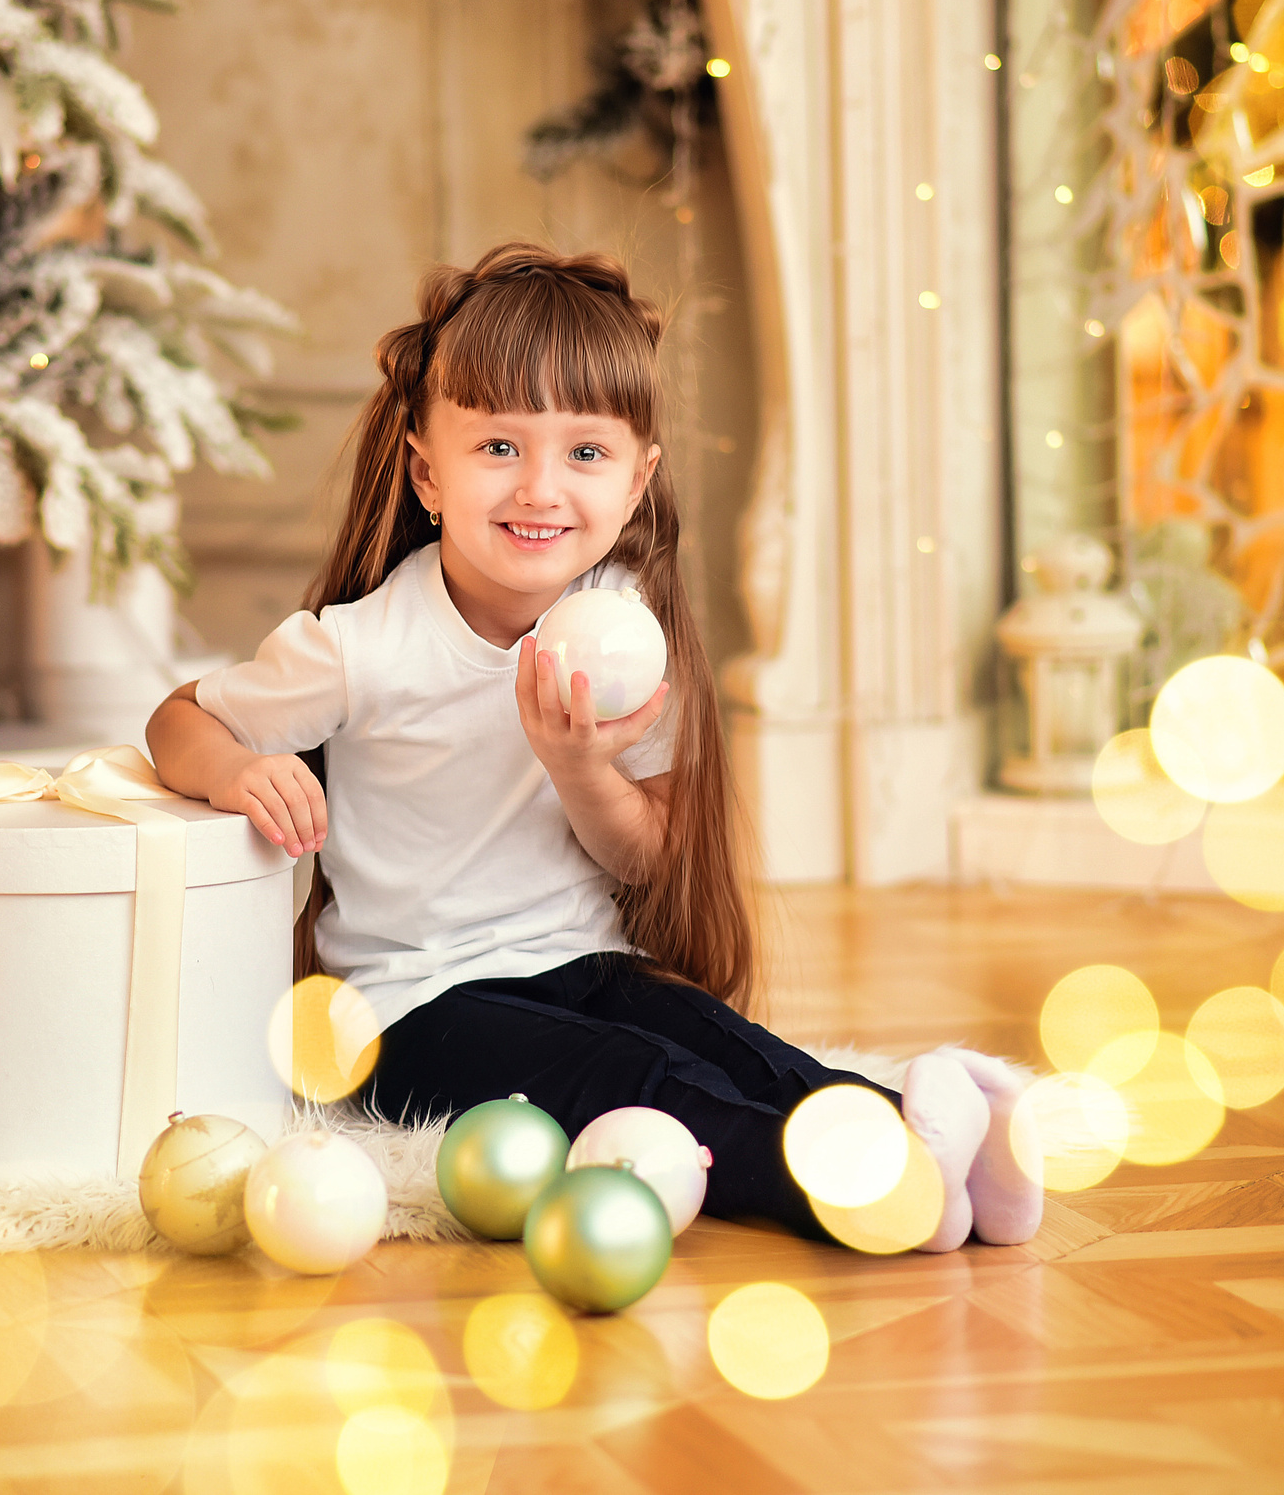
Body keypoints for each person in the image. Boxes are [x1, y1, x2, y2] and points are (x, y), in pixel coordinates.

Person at [146, 241, 1040, 1250]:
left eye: (584, 453)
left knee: (720, 1041)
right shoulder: (362, 647)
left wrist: (579, 766)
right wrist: (235, 766)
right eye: (497, 448)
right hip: (414, 1007)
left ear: (635, 481)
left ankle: (930, 1142)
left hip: (581, 958)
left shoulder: (619, 631)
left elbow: (649, 855)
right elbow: (177, 719)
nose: (539, 488)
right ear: (424, 471)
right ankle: (871, 1190)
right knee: (644, 1085)